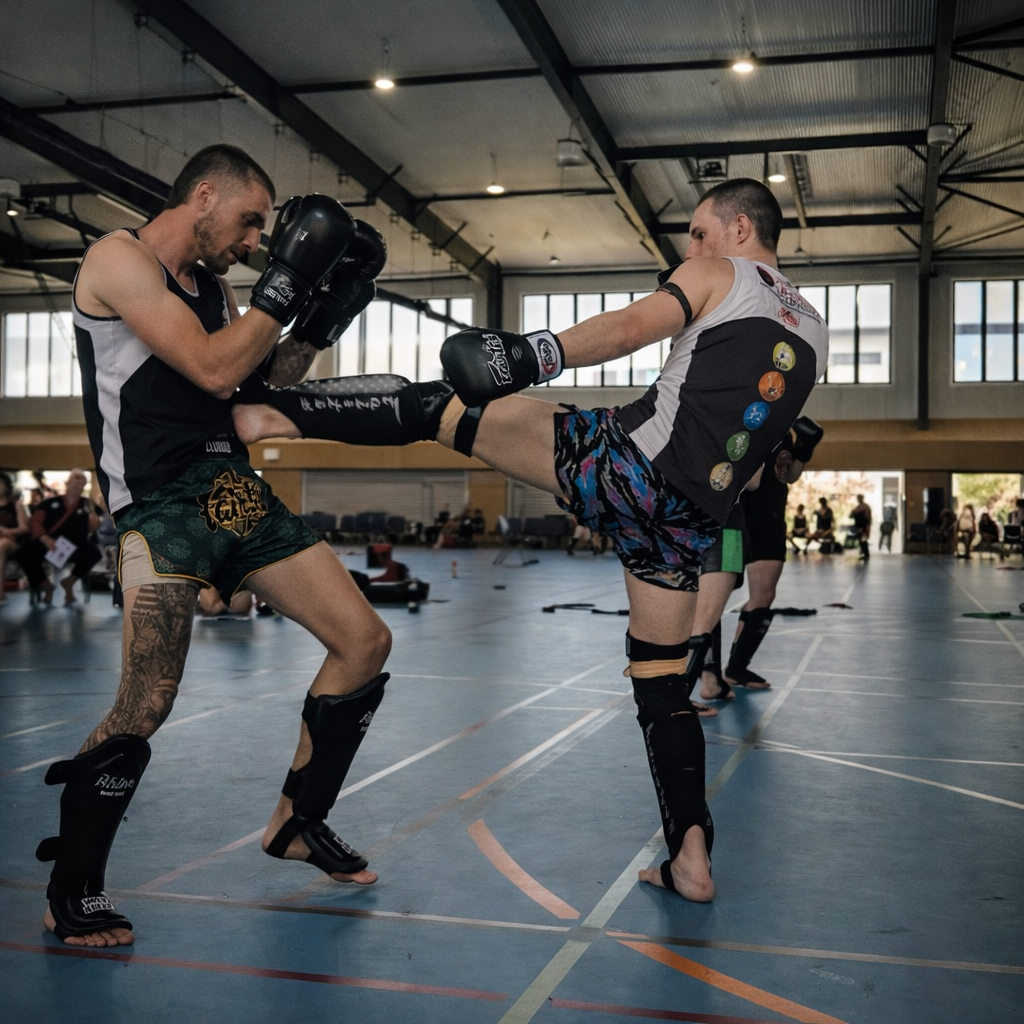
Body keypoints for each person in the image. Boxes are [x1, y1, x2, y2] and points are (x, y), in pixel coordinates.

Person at [233, 177, 829, 901]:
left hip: (628, 464)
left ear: (740, 228)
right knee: (661, 684)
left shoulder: (722, 270)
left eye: (700, 233)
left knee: (438, 408)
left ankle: (271, 417)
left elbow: (628, 328)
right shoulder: (812, 326)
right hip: (688, 522)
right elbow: (758, 449)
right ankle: (691, 859)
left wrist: (528, 355)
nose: (690, 248)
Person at [37, 144, 394, 949]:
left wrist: (325, 312)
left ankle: (297, 823)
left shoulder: (219, 289)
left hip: (231, 490)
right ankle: (73, 890)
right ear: (203, 195)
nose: (253, 241)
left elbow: (256, 385)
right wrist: (289, 280)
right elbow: (206, 367)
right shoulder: (117, 258)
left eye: (265, 233)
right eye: (249, 222)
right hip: (156, 509)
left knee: (364, 640)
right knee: (146, 702)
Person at [16, 468, 102, 605]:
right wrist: (45, 539)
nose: (77, 482)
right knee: (23, 553)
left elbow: (97, 521)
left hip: (74, 545)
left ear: (85, 485)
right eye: (75, 478)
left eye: (81, 480)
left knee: (94, 553)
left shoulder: (88, 504)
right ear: (67, 482)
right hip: (49, 543)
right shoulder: (48, 503)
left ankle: (69, 582)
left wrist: (95, 524)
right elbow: (35, 521)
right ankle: (46, 585)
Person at [0, 470, 30, 604]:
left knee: (3, 544)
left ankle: (0, 595)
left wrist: (5, 532)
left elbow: (24, 528)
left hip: (14, 544)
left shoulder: (16, 505)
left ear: (7, 486)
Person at [850, 494, 872, 561]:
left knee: (863, 539)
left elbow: (853, 513)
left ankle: (866, 554)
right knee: (862, 539)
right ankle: (865, 553)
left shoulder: (863, 507)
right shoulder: (862, 506)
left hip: (863, 526)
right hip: (861, 525)